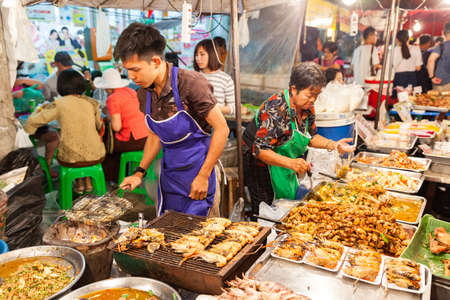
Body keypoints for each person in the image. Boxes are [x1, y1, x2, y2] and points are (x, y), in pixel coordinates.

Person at [117, 23, 229, 217]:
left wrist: (203, 176)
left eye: (135, 69)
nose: (131, 76)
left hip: (200, 172)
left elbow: (222, 129)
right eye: (127, 70)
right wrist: (139, 173)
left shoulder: (192, 84)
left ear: (156, 62)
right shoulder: (144, 94)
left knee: (203, 238)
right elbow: (154, 137)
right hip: (170, 176)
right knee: (171, 233)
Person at [242, 62, 355, 216]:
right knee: (266, 209)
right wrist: (291, 163)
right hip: (259, 164)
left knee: (285, 205)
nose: (313, 100)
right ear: (294, 89)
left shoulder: (307, 107)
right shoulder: (276, 109)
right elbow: (260, 150)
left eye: (317, 95)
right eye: (309, 95)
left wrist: (333, 145)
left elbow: (311, 136)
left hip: (282, 159)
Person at [24, 69, 105, 194]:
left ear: (61, 86)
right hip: (97, 154)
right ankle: (87, 182)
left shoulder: (59, 104)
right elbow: (100, 126)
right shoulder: (91, 102)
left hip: (71, 158)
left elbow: (31, 122)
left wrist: (38, 111)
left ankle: (79, 184)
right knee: (84, 147)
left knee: (73, 151)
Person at [94, 68, 149, 182]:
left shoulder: (112, 98)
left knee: (107, 147)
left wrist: (109, 116)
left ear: (108, 87)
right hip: (145, 137)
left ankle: (113, 180)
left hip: (133, 139)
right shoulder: (131, 91)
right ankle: (123, 173)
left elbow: (116, 127)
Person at [194, 39, 235, 116]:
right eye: (196, 55)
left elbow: (234, 107)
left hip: (215, 125)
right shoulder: (193, 77)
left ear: (212, 54)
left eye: (202, 54)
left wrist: (214, 109)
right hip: (194, 124)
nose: (198, 58)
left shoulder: (225, 79)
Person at [392, 30, 422, 97]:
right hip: (412, 78)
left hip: (398, 78)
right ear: (409, 38)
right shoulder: (416, 49)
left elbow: (390, 67)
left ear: (397, 39)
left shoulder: (393, 51)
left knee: (398, 101)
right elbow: (418, 68)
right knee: (410, 100)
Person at [427, 22, 450, 91]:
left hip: (441, 82)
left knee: (440, 101)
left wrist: (432, 77)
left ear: (443, 32)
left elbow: (431, 60)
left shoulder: (441, 46)